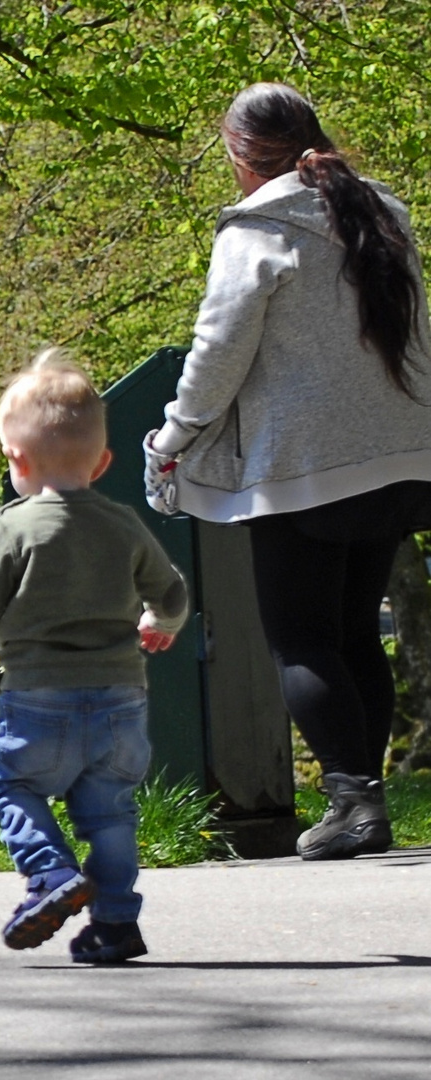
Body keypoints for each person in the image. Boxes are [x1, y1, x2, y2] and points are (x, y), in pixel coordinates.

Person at [144, 83, 431, 860]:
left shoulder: (256, 231)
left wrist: (174, 435)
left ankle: (351, 800)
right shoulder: (381, 211)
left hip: (302, 463)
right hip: (400, 450)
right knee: (352, 634)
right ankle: (362, 801)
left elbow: (217, 355)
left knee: (300, 638)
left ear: (240, 155)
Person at [0, 351, 188, 963]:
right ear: (104, 460)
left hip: (39, 700)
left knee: (9, 785)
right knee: (110, 813)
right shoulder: (123, 524)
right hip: (121, 701)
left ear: (16, 458)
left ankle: (50, 874)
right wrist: (158, 621)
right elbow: (170, 590)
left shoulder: (15, 528)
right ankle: (116, 924)